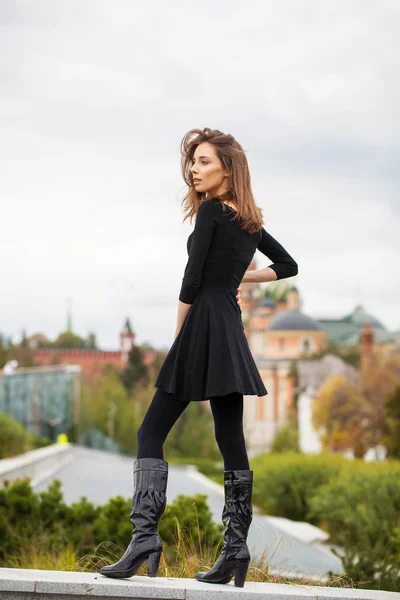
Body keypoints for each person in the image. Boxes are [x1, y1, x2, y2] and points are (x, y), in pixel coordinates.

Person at [99, 128, 298, 587]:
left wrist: (178, 337)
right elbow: (288, 267)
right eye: (193, 162)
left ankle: (145, 537)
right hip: (230, 326)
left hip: (204, 322)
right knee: (229, 435)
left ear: (228, 168)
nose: (194, 169)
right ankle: (235, 549)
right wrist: (242, 279)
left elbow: (191, 281)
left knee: (150, 430)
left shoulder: (210, 211)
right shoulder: (249, 222)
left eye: (204, 161)